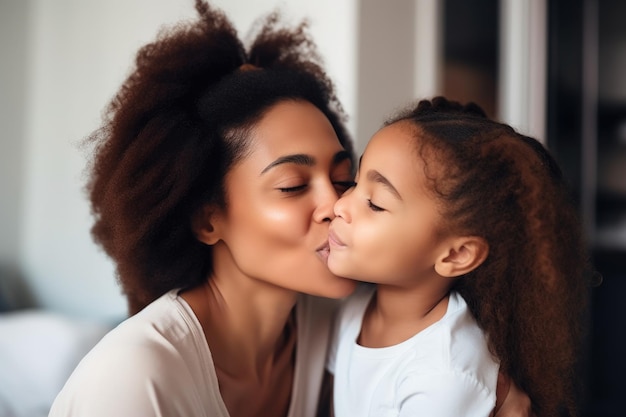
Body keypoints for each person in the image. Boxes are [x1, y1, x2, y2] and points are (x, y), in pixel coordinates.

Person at [49, 1, 532, 415]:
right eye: (293, 185)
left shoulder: (334, 326)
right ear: (207, 218)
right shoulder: (134, 380)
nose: (337, 204)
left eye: (345, 179)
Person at [326, 97, 589, 417]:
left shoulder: (444, 377)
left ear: (457, 254)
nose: (339, 206)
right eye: (354, 183)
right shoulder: (352, 309)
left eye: (376, 204)